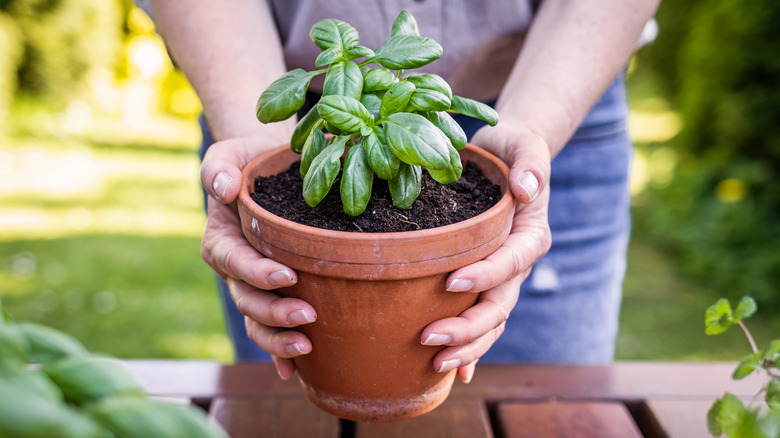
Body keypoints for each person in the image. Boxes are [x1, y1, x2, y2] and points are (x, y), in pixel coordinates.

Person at [148, 0, 659, 383]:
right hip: (280, 103)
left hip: (557, 95)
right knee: (285, 415)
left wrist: (532, 126)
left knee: (547, 408)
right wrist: (256, 145)